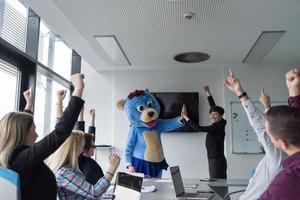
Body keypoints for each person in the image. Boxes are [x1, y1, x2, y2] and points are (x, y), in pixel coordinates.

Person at [0, 73, 85, 200]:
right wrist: (78, 89)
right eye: (34, 129)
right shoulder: (22, 159)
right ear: (23, 133)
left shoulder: (13, 157)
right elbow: (60, 133)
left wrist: (28, 106)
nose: (37, 134)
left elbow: (18, 126)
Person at [224, 70, 286, 200]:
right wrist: (267, 107)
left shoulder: (277, 159)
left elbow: (261, 126)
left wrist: (240, 92)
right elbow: (266, 128)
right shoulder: (279, 157)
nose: (259, 138)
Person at [258, 68, 300, 200]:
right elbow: (295, 119)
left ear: (282, 143)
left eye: (270, 137)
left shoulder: (288, 180)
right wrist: (294, 88)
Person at [47, 130, 120, 199]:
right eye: (82, 144)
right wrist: (112, 168)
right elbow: (95, 192)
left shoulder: (70, 169)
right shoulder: (64, 173)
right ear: (76, 148)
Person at [56, 91, 104, 184]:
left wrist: (89, 117)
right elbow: (61, 127)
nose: (95, 148)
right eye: (93, 146)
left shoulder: (81, 159)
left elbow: (86, 136)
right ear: (83, 148)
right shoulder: (83, 164)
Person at [182, 85, 227, 179]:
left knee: (217, 185)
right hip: (215, 158)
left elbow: (198, 128)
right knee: (219, 184)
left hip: (216, 160)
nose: (212, 116)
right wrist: (208, 92)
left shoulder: (217, 126)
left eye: (215, 115)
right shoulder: (221, 122)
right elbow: (213, 107)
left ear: (221, 115)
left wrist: (186, 118)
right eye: (211, 114)